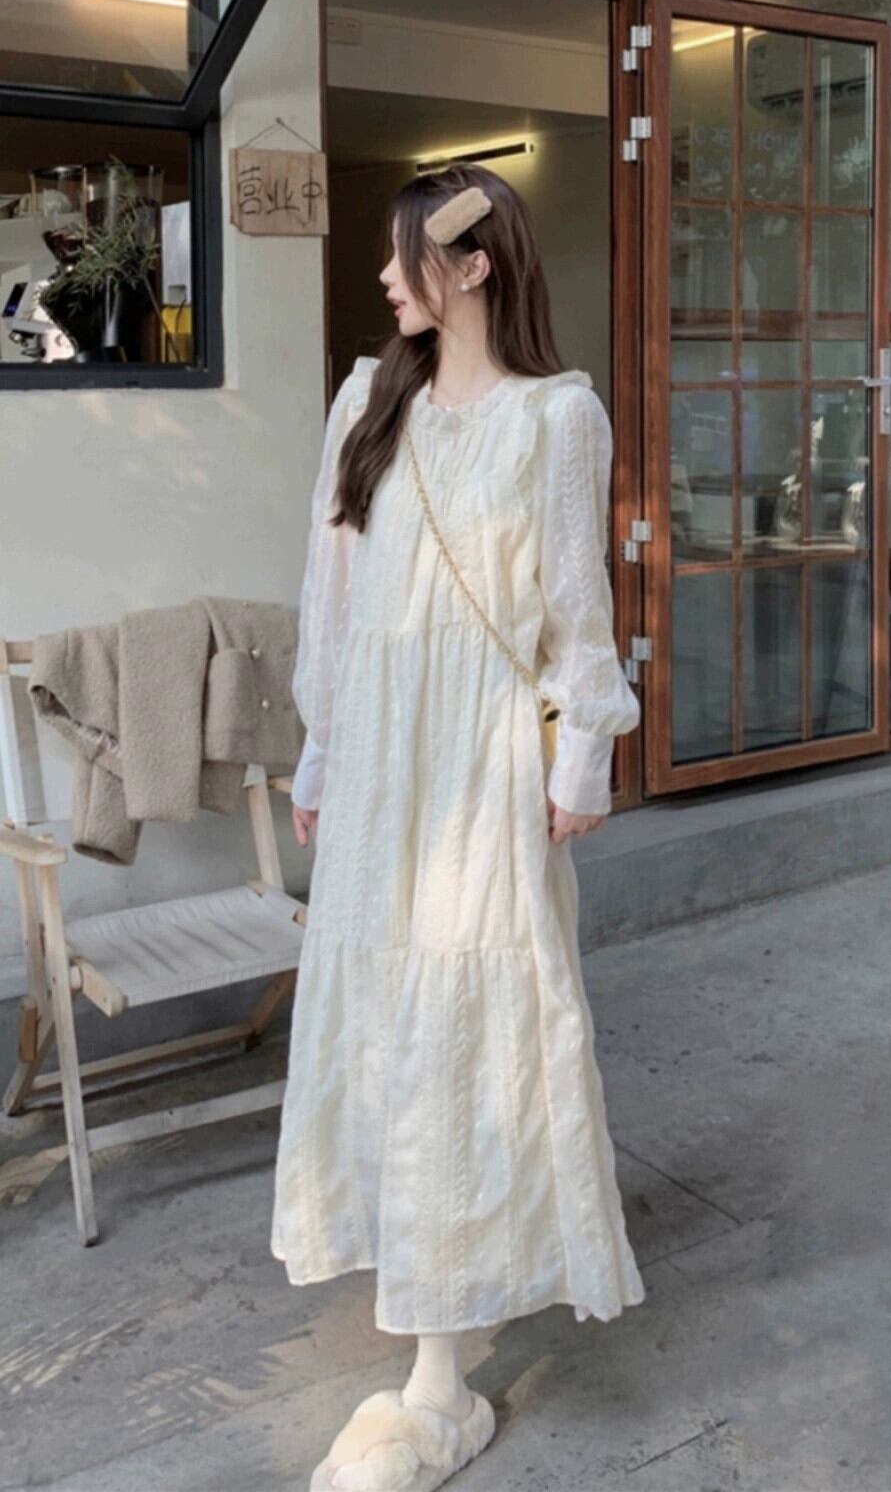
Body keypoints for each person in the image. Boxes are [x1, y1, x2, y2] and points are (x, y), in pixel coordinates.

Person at [272, 163, 644, 1492]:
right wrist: (322, 748)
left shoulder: (558, 418)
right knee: (386, 1026)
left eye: (407, 255)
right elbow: (332, 600)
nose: (386, 277)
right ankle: (432, 1310)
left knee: (464, 1033)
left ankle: (438, 1383)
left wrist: (582, 758)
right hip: (381, 767)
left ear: (475, 263)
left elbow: (578, 611)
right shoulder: (366, 404)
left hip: (482, 767)